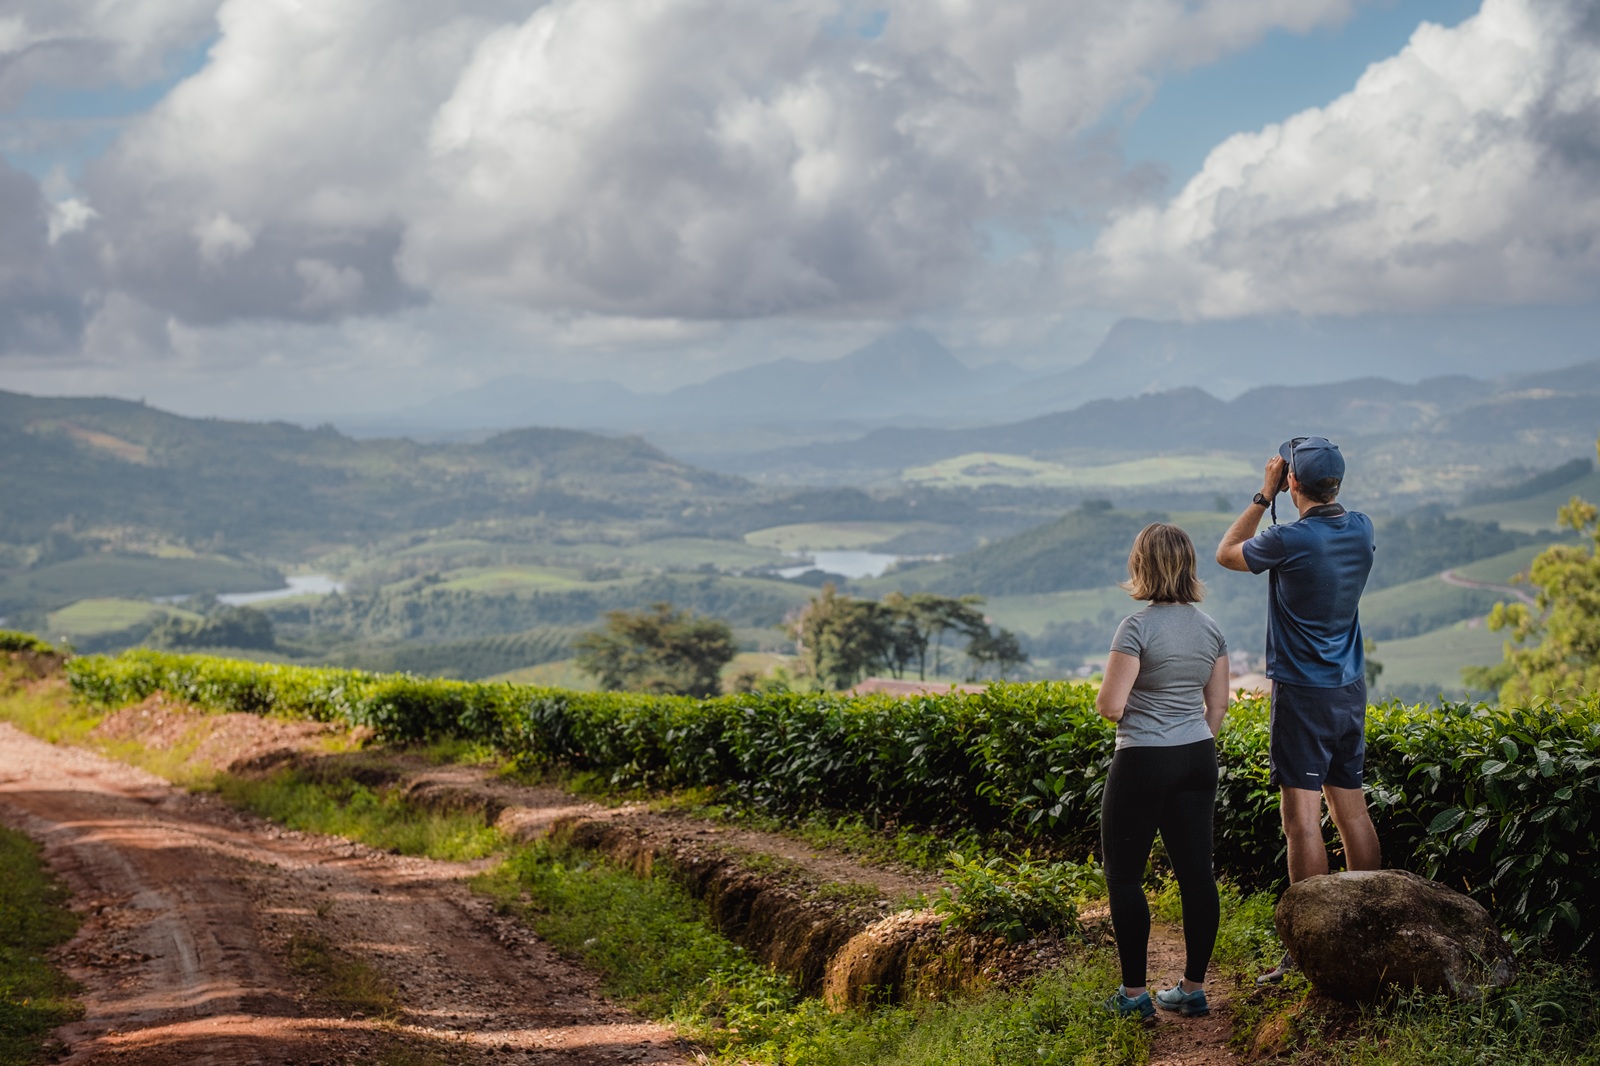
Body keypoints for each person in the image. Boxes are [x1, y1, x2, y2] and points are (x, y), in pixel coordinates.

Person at [1215, 436, 1381, 984]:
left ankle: (1310, 946)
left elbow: (1226, 552)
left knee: (1301, 823)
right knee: (1351, 810)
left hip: (1303, 693)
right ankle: (1369, 923)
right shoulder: (1362, 528)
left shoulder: (1287, 539)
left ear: (1292, 482)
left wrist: (1262, 495)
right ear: (1337, 483)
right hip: (1350, 689)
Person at [1096, 522, 1230, 1020]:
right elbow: (1218, 705)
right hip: (1198, 755)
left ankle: (1134, 997)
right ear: (1188, 566)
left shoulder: (1136, 628)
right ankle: (1192, 990)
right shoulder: (1210, 628)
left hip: (1144, 759)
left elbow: (1111, 706)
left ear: (1142, 566)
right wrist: (1189, 739)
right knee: (1198, 875)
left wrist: (1144, 723)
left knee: (1124, 876)